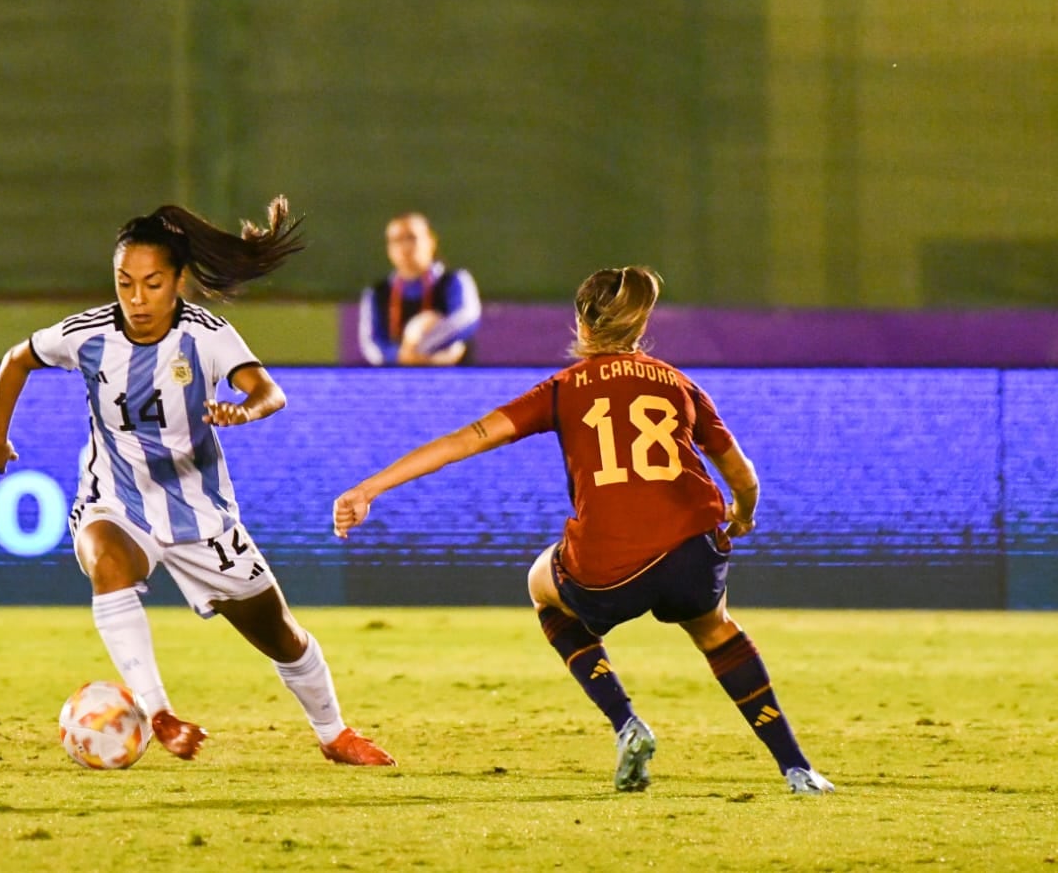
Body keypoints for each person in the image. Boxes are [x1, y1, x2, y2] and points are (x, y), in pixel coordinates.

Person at [333, 265, 835, 795]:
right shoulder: (682, 385)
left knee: (540, 586)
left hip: (608, 563)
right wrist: (744, 515)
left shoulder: (562, 389)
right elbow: (743, 476)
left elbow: (470, 438)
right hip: (693, 548)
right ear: (640, 327)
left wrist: (370, 488)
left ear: (582, 323)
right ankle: (796, 767)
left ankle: (626, 723)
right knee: (715, 629)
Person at [0, 195, 394, 767]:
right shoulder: (87, 335)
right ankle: (158, 711)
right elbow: (17, 358)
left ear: (177, 282)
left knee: (283, 638)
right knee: (108, 562)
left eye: (151, 283)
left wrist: (242, 411)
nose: (136, 299)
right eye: (125, 283)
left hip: (201, 515)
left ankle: (334, 733)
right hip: (114, 500)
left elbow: (269, 391)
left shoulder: (207, 336)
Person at [358, 213, 481, 366]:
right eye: (397, 241)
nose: (405, 247)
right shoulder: (376, 294)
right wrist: (402, 356)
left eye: (412, 238)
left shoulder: (455, 281)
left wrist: (422, 348)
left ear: (431, 241)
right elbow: (372, 345)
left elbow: (465, 320)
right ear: (389, 249)